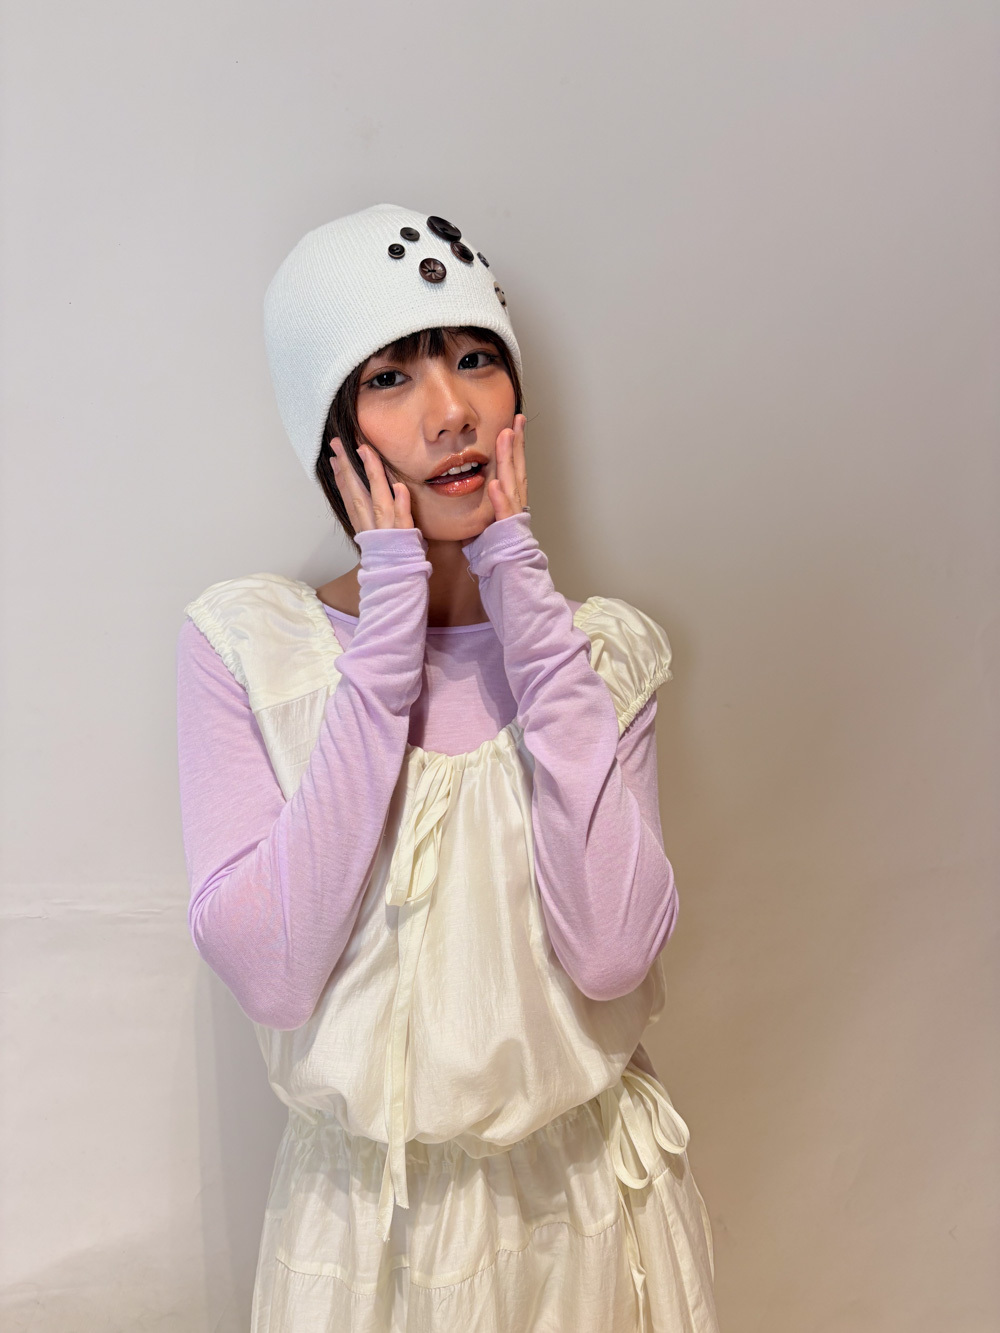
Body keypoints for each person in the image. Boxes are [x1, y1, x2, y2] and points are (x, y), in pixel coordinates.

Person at [176, 203, 720, 1332]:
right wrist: (387, 636)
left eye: (476, 359)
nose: (451, 410)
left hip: (591, 1217)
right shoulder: (251, 649)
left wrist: (525, 603)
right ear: (331, 435)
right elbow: (275, 973)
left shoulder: (600, 657)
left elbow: (613, 953)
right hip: (367, 1241)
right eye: (391, 377)